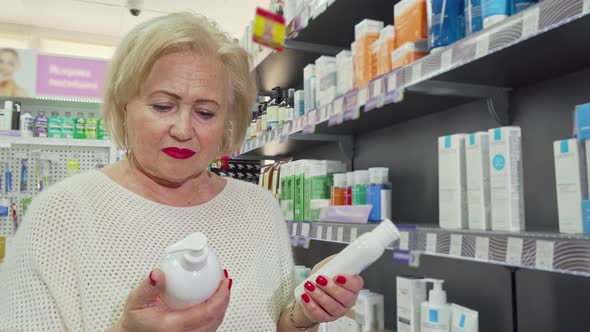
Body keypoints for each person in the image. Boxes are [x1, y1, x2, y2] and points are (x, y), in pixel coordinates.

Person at [0, 12, 364, 331]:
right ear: (124, 105)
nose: (183, 129)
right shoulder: (59, 215)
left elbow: (275, 325)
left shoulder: (259, 208)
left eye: (205, 112)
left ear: (227, 123)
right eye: (162, 105)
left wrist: (304, 316)